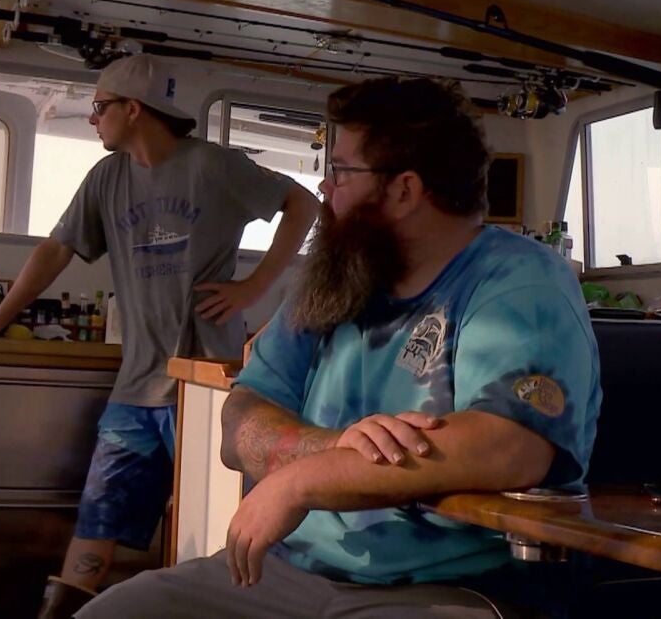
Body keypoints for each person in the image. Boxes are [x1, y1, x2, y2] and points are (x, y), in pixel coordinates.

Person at [78, 76, 603, 618]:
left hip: (450, 586)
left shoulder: (519, 281)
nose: (325, 189)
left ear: (403, 190)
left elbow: (510, 446)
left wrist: (301, 483)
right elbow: (240, 421)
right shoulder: (337, 278)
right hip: (286, 573)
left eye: (342, 171)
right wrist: (328, 449)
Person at [0, 54, 319, 618]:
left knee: (226, 527)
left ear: (133, 109)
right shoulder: (106, 178)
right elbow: (56, 249)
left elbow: (303, 203)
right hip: (135, 389)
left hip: (205, 391)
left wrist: (255, 285)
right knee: (97, 520)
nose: (92, 119)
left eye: (99, 107)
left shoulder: (213, 166)